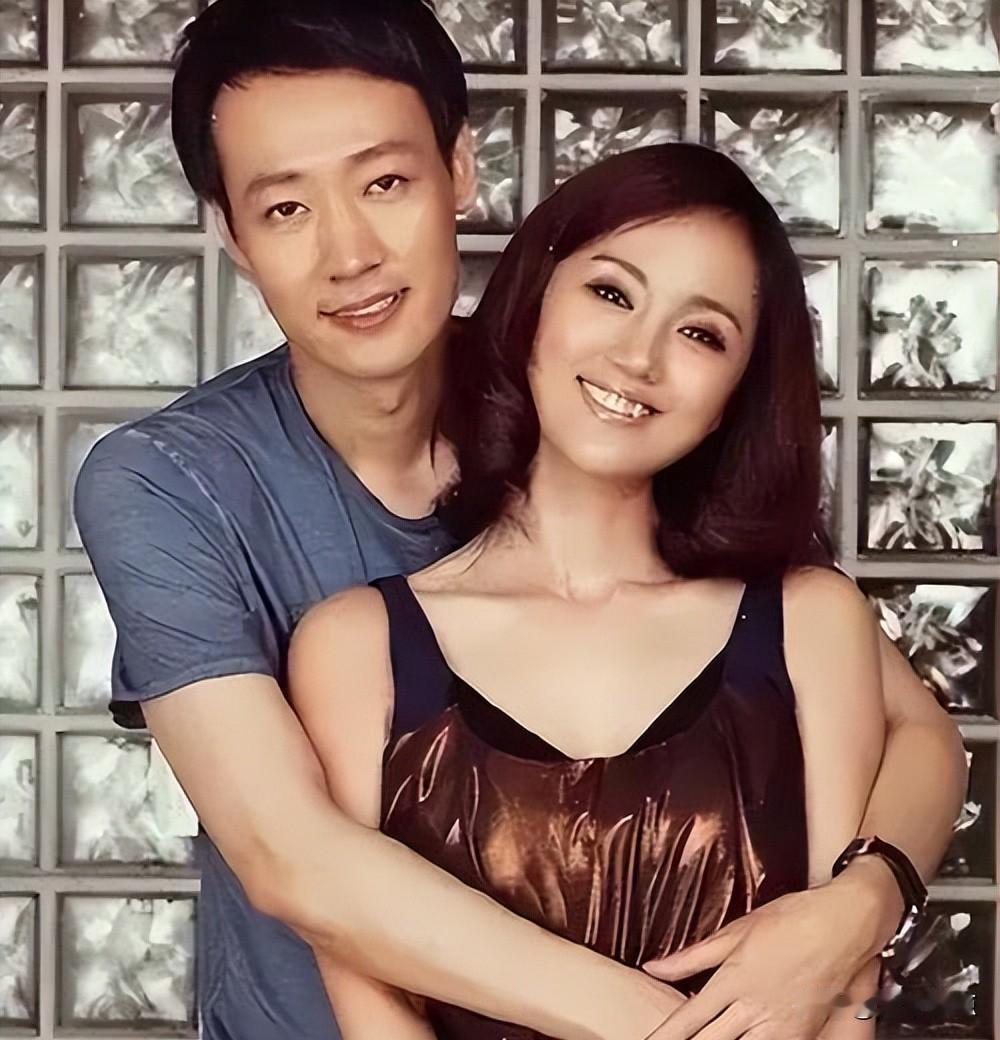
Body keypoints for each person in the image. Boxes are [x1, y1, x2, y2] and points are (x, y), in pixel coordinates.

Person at [73, 1, 966, 1038]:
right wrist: (689, 1027)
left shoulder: (589, 389)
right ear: (231, 233)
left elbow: (914, 729)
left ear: (460, 169)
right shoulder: (168, 482)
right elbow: (294, 860)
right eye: (284, 208)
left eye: (384, 182)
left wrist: (858, 907)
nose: (349, 253)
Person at [284, 142, 941, 1040]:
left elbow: (837, 1001)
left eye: (701, 334)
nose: (639, 357)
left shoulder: (810, 622)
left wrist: (869, 902)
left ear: (736, 393)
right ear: (534, 304)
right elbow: (372, 1006)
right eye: (612, 293)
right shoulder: (355, 645)